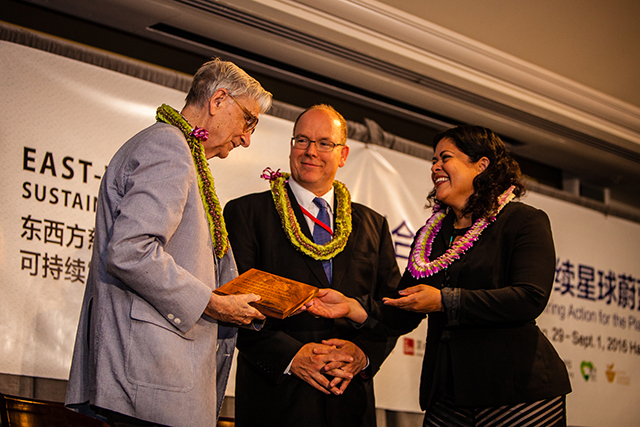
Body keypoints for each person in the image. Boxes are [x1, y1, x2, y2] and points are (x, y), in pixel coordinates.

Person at [309, 125, 572, 426]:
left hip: (518, 392)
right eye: (433, 161)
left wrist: (445, 301)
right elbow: (405, 306)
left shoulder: (523, 221)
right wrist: (353, 307)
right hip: (448, 395)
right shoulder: (432, 235)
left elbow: (529, 297)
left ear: (481, 165)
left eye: (445, 158)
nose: (435, 168)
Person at [65, 58, 273, 427]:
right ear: (219, 99)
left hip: (156, 378)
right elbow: (132, 251)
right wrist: (213, 304)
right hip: (151, 377)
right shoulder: (169, 147)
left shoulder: (179, 150)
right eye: (248, 119)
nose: (246, 137)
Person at [223, 104, 402, 427]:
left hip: (349, 401)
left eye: (324, 143)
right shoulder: (247, 214)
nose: (310, 151)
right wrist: (291, 356)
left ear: (343, 154)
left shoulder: (372, 224)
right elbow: (231, 307)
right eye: (301, 140)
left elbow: (393, 310)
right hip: (277, 399)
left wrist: (362, 356)